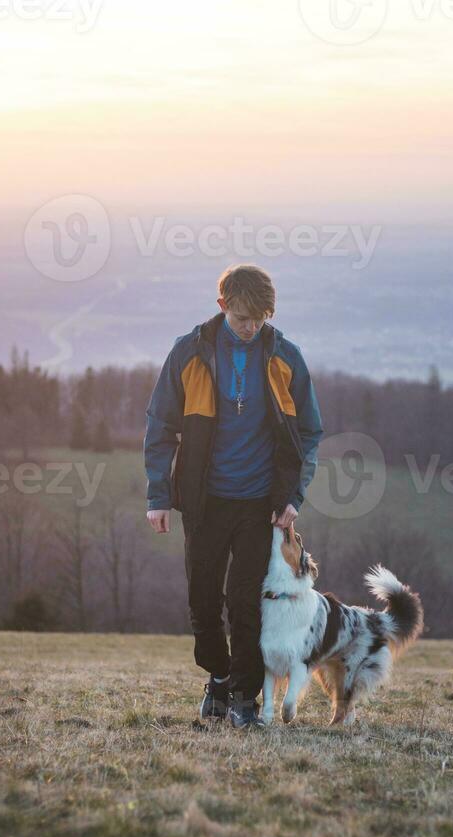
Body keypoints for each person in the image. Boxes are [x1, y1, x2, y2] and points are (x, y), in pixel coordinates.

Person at [144, 264, 323, 728]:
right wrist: (157, 495)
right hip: (203, 500)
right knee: (202, 599)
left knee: (245, 600)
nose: (251, 327)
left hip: (258, 503)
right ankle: (219, 678)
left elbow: (309, 431)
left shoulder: (285, 356)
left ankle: (245, 694)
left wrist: (293, 497)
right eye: (243, 317)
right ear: (222, 306)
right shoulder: (190, 352)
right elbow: (160, 426)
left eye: (260, 318)